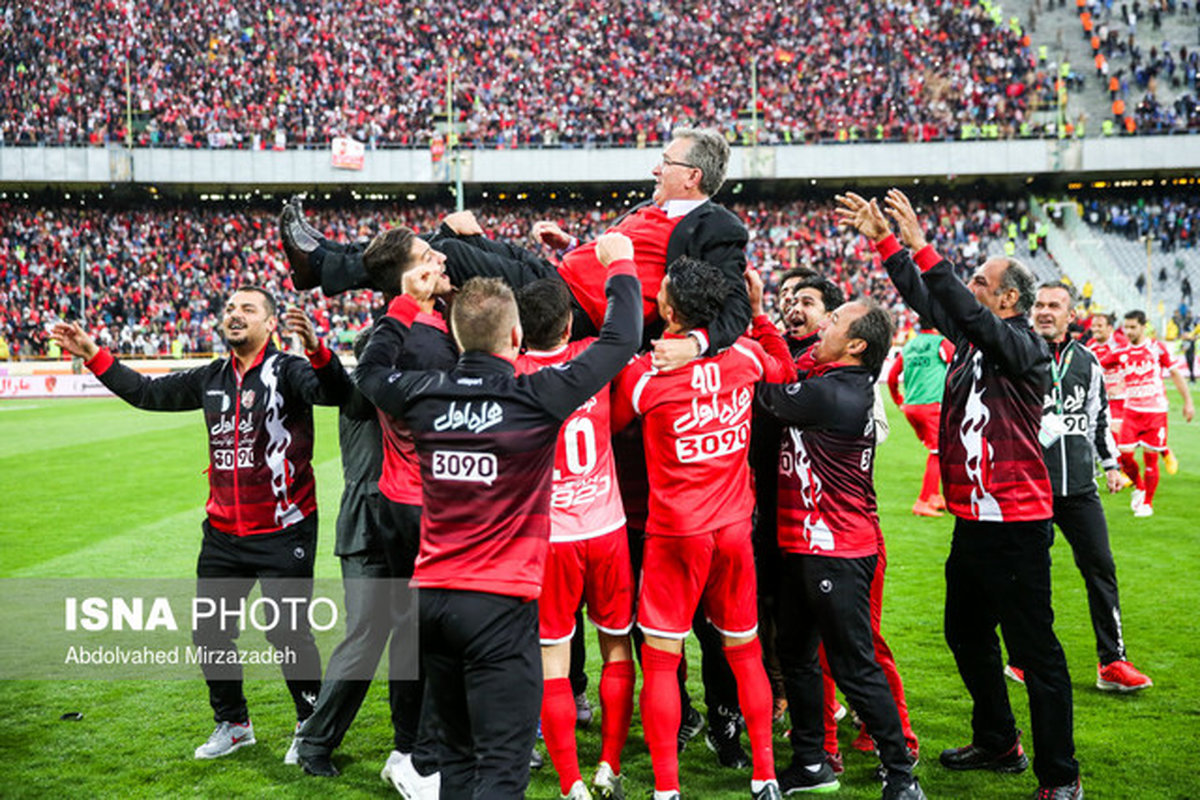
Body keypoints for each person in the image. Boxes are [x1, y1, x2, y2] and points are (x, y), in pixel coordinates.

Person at [353, 233, 642, 799]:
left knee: (457, 765)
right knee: (502, 771)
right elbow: (622, 338)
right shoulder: (535, 397)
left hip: (432, 600)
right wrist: (622, 263)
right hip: (498, 606)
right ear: (515, 337)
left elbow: (369, 374)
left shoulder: (425, 393)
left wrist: (404, 305)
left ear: (457, 336)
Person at [837, 189, 1083, 800]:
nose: (968, 288)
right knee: (964, 632)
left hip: (1017, 526)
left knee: (1036, 653)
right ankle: (999, 740)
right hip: (976, 520)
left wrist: (923, 246)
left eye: (979, 280)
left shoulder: (1024, 345)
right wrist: (886, 243)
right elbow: (927, 298)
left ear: (1007, 300)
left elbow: (961, 311)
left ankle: (1062, 777)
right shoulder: (977, 341)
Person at [50, 288, 351, 761]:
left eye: (248, 309)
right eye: (230, 308)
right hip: (223, 535)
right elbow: (148, 393)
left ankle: (308, 723)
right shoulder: (212, 376)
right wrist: (92, 353)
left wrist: (316, 351)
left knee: (288, 634)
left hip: (284, 529)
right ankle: (233, 724)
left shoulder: (288, 371)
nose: (234, 314)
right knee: (210, 632)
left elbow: (336, 393)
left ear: (270, 324)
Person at [281, 128, 751, 368]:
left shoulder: (717, 226)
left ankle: (323, 264)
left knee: (450, 253)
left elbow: (734, 307)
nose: (655, 169)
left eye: (665, 162)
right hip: (556, 272)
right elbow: (614, 254)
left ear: (692, 176)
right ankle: (325, 262)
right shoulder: (649, 209)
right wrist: (573, 244)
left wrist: (694, 343)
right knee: (453, 237)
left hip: (574, 306)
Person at [612, 256, 795, 800]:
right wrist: (758, 315)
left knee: (664, 662)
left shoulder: (646, 375)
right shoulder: (745, 356)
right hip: (735, 530)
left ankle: (667, 788)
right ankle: (765, 776)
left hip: (674, 534)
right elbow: (784, 370)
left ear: (668, 309)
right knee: (745, 651)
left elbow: (613, 422)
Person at [293, 227, 458, 782]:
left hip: (392, 516)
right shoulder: (377, 375)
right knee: (370, 638)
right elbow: (353, 398)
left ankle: (404, 749)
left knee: (409, 639)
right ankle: (315, 741)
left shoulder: (404, 350)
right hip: (372, 522)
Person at [757, 299, 925, 800]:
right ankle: (811, 761)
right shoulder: (834, 383)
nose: (821, 325)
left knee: (853, 664)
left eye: (833, 321)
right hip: (805, 544)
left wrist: (758, 324)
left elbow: (761, 393)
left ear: (856, 345)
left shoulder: (835, 394)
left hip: (836, 550)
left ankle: (901, 775)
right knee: (798, 654)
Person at [514, 278, 636, 800]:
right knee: (616, 651)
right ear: (568, 325)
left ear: (520, 331)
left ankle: (571, 783)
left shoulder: (514, 376)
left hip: (551, 541)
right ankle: (609, 762)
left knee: (554, 663)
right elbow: (619, 327)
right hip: (607, 532)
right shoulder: (593, 357)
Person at [1002, 282, 1152, 693]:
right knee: (1031, 576)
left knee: (1101, 567)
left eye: (1056, 305)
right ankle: (1021, 660)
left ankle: (1113, 662)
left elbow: (1098, 419)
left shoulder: (1087, 360)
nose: (1046, 311)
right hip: (1031, 488)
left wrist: (1112, 466)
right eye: (1041, 305)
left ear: (1072, 315)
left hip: (1081, 488)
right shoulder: (1016, 354)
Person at [1101, 310, 1194, 517]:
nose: (1129, 331)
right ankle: (1139, 487)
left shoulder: (1156, 348)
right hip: (1131, 411)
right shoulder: (1121, 352)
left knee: (1150, 458)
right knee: (1124, 457)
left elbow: (1176, 374)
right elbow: (1097, 366)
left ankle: (1147, 504)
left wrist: (1188, 402)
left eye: (1133, 327)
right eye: (1126, 327)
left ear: (1144, 326)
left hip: (1155, 412)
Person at [886, 320, 954, 517]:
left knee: (938, 449)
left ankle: (934, 495)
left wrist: (898, 399)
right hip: (932, 405)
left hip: (911, 406)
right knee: (938, 452)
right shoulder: (941, 342)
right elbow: (959, 365)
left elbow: (892, 376)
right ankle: (923, 501)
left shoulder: (909, 345)